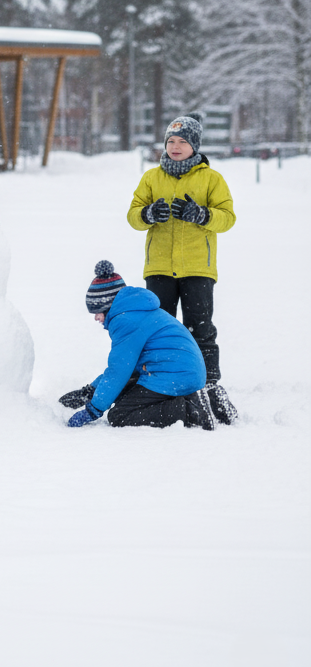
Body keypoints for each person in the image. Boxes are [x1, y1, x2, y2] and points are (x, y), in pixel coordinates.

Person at [127, 112, 238, 424]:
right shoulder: (151, 178)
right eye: (170, 141)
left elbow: (227, 218)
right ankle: (155, 380)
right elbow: (133, 216)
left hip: (197, 269)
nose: (175, 147)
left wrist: (201, 214)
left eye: (182, 142)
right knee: (158, 328)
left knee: (199, 327)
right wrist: (148, 213)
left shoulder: (211, 179)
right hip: (159, 267)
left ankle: (209, 382)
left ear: (195, 147)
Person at [59, 261, 214, 430]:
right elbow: (125, 369)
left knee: (119, 415)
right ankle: (201, 398)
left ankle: (191, 412)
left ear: (108, 305)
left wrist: (93, 410)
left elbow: (119, 370)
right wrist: (90, 391)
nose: (96, 317)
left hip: (175, 376)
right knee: (121, 394)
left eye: (97, 310)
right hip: (180, 373)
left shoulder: (125, 320)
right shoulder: (136, 310)